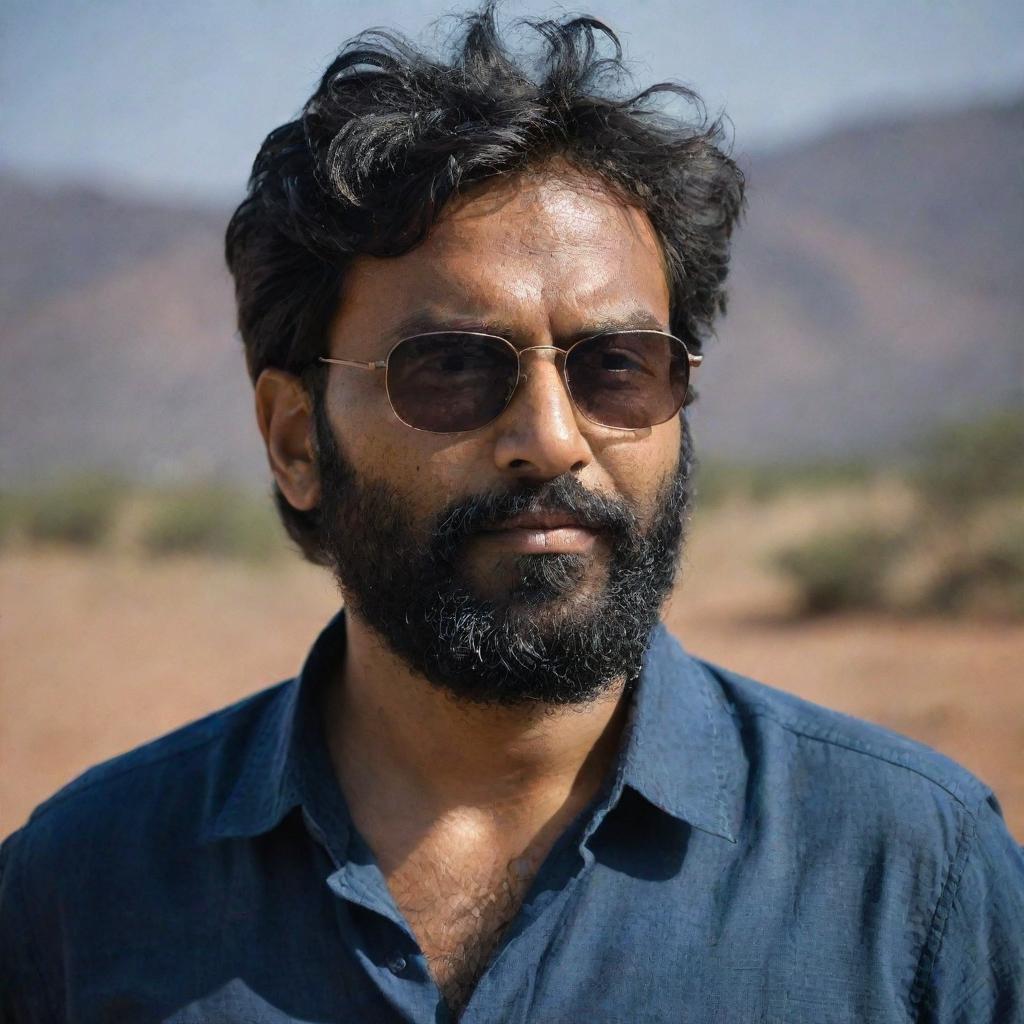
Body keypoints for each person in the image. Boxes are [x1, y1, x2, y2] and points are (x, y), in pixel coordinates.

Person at [2, 5, 1022, 1022]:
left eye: (616, 367)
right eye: (449, 366)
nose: (551, 437)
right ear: (295, 440)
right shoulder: (78, 893)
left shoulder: (911, 878)